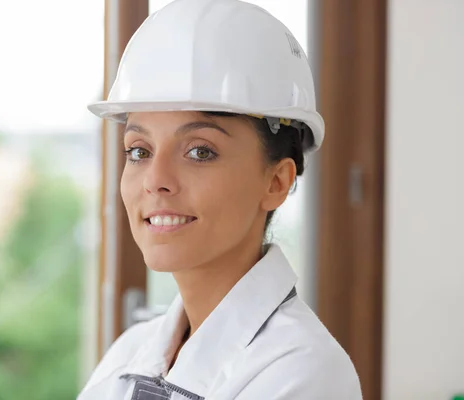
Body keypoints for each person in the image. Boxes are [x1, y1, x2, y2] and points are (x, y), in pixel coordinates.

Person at [79, 0, 362, 398]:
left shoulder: (303, 372)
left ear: (277, 182)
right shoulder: (128, 356)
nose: (156, 181)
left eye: (199, 151)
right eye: (139, 151)